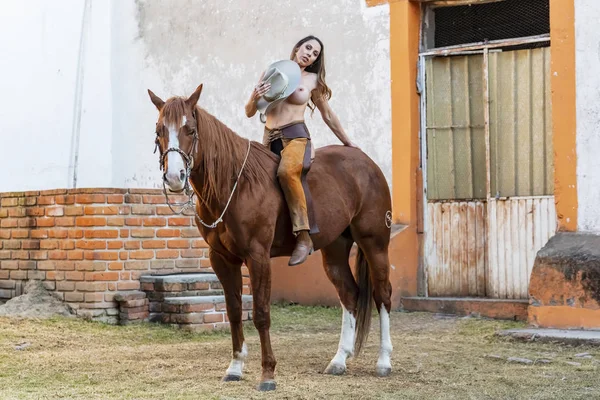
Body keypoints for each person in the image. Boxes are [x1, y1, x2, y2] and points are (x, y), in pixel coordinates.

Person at [245, 35, 358, 266]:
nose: (310, 54)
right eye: (308, 48)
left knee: (287, 173)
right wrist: (254, 96)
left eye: (315, 53)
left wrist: (348, 142)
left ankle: (304, 238)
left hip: (296, 137)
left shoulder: (312, 80)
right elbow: (249, 111)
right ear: (297, 48)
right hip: (268, 139)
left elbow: (328, 115)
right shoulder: (273, 71)